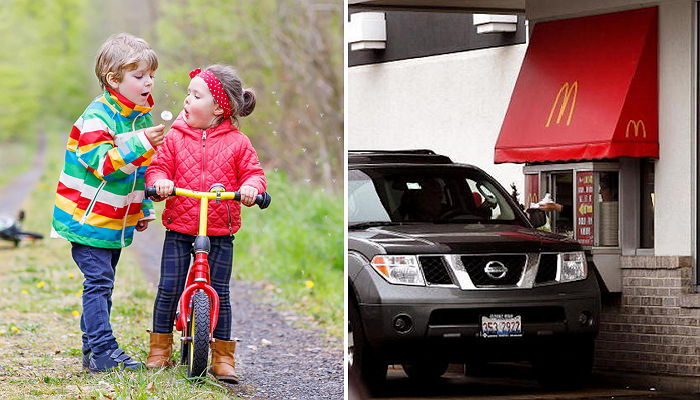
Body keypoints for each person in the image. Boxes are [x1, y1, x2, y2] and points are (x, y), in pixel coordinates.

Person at [51, 33, 166, 372]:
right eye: (139, 75)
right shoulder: (97, 117)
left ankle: (92, 351)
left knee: (103, 282)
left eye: (150, 75)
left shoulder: (139, 117)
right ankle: (103, 351)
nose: (148, 82)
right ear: (113, 79)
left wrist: (142, 207)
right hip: (85, 219)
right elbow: (102, 164)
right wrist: (142, 142)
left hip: (114, 220)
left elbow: (139, 170)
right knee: (99, 282)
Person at [144, 65, 266, 383]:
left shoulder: (238, 143)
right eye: (188, 93)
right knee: (168, 288)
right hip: (179, 227)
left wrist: (252, 189)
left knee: (221, 292)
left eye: (195, 95)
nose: (187, 99)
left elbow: (254, 173)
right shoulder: (174, 138)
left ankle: (223, 357)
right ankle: (159, 348)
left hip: (220, 230)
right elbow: (157, 168)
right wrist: (160, 183)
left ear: (218, 107)